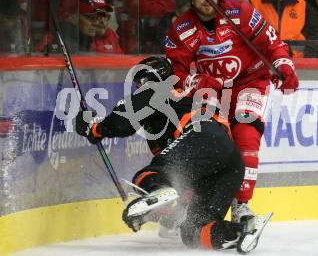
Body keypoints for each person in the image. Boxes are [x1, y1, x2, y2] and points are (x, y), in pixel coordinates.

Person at [75, 56, 271, 253]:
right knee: (193, 231)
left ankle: (158, 189)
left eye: (139, 82)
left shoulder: (156, 90)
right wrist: (160, 211)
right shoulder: (179, 102)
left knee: (148, 176)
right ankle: (242, 231)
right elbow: (182, 175)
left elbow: (122, 122)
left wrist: (94, 129)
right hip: (230, 162)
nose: (137, 87)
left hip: (202, 136)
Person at [165, 0, 298, 224]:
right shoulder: (181, 29)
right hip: (212, 88)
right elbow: (175, 76)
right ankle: (188, 204)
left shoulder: (241, 11)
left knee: (247, 136)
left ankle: (241, 207)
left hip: (251, 81)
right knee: (210, 143)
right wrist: (198, 80)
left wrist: (284, 65)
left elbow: (273, 43)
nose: (208, 0)